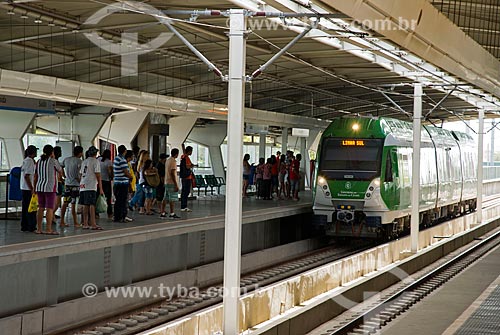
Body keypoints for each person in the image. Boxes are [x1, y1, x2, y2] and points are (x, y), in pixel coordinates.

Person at [34, 145, 63, 235]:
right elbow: (60, 171)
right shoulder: (53, 161)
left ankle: (38, 229)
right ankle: (48, 229)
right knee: (50, 208)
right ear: (52, 152)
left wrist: (34, 187)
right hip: (50, 188)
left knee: (41, 208)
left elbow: (36, 176)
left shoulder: (39, 161)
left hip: (39, 187)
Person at [79, 146, 104, 230]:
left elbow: (80, 174)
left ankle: (85, 223)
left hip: (83, 185)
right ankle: (93, 223)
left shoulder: (84, 161)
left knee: (85, 204)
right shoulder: (95, 161)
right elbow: (98, 175)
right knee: (92, 205)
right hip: (91, 185)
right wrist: (100, 188)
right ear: (95, 153)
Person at [60, 146, 84, 228]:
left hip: (67, 184)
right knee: (73, 203)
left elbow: (60, 167)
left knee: (65, 203)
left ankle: (62, 221)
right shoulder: (79, 161)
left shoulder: (66, 159)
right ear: (80, 153)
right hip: (75, 185)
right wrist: (79, 179)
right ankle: (75, 222)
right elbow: (81, 173)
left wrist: (63, 176)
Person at [113, 145, 133, 223]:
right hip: (122, 183)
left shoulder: (116, 158)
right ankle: (122, 216)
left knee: (118, 201)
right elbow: (126, 172)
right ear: (124, 151)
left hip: (117, 182)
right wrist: (130, 177)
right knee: (122, 200)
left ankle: (117, 216)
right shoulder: (122, 160)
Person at [20, 145, 38, 232]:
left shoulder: (26, 160)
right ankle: (31, 226)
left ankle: (25, 225)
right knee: (31, 208)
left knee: (25, 207)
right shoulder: (29, 161)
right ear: (34, 152)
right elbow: (27, 176)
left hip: (24, 187)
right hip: (28, 188)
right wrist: (32, 188)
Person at [161, 148, 181, 219]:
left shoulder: (167, 160)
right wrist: (176, 184)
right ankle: (172, 213)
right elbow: (172, 173)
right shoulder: (173, 161)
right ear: (176, 154)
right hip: (171, 182)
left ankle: (162, 212)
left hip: (166, 181)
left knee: (165, 197)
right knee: (172, 198)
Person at [180, 145, 195, 212]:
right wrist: (191, 165)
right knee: (186, 191)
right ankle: (184, 206)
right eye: (191, 151)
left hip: (184, 177)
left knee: (184, 191)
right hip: (187, 177)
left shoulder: (183, 157)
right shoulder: (186, 158)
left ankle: (183, 206)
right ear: (189, 151)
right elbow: (188, 167)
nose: (191, 152)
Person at [99, 149, 114, 220]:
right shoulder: (108, 162)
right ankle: (109, 213)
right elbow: (110, 172)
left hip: (99, 181)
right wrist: (111, 177)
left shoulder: (98, 159)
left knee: (98, 196)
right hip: (106, 181)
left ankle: (96, 213)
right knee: (108, 198)